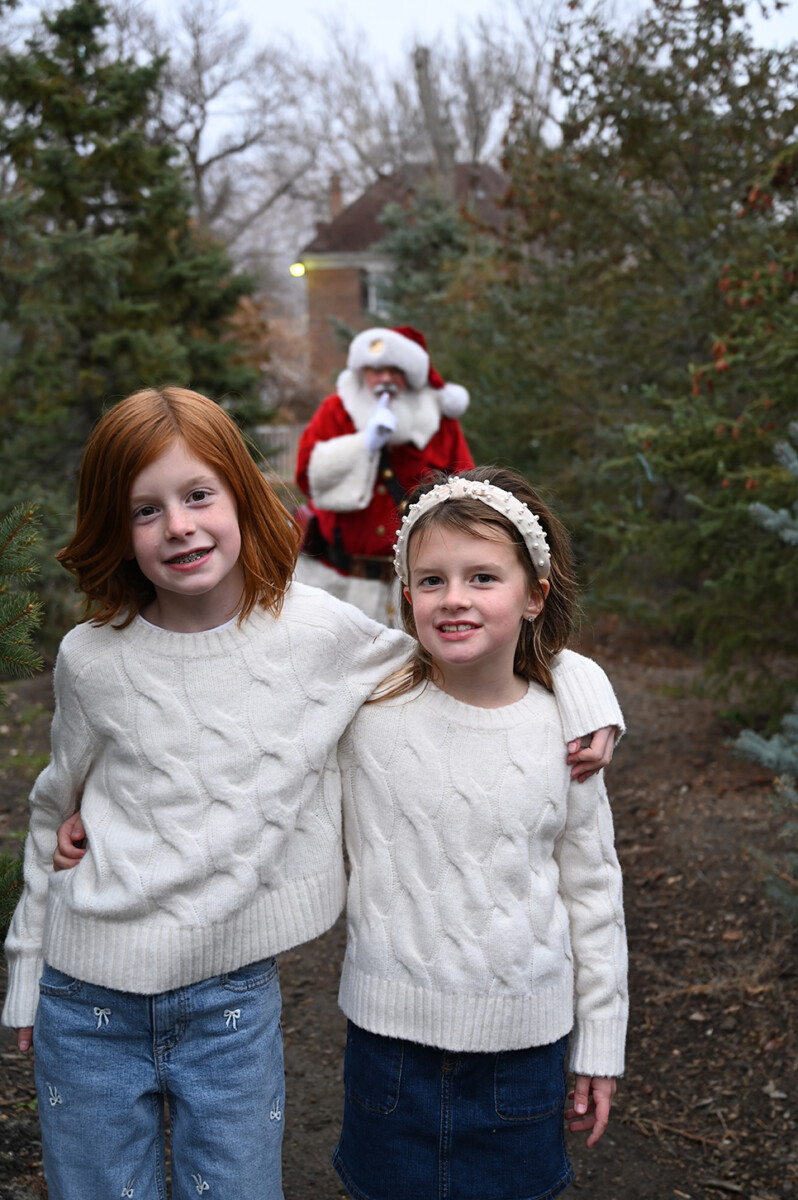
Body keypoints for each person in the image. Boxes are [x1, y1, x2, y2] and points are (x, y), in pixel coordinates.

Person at [4, 388, 622, 1199]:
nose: (179, 526)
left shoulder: (317, 633)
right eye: (145, 510)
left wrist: (581, 686)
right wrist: (26, 964)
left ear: (240, 496)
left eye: (198, 496)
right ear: (115, 530)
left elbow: (462, 647)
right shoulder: (89, 659)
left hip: (231, 999)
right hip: (88, 988)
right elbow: (54, 806)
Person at [333, 467, 628, 1200]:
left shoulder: (567, 732)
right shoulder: (366, 710)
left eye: (483, 577)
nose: (454, 598)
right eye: (431, 580)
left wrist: (601, 1043)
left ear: (535, 595)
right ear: (407, 594)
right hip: (388, 1050)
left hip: (522, 1056)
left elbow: (594, 895)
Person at [295, 324, 474, 625]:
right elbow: (305, 476)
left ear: (410, 376)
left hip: (415, 588)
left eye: (396, 370)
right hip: (342, 583)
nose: (386, 379)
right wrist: (364, 444)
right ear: (362, 372)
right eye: (376, 370)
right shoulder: (336, 411)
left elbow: (465, 488)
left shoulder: (437, 419)